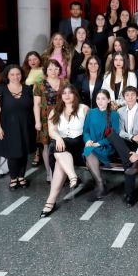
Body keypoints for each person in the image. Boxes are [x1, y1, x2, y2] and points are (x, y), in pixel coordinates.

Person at [40, 86, 88, 218]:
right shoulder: (55, 111)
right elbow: (51, 131)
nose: (67, 95)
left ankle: (50, 201)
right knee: (58, 150)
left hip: (79, 146)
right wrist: (58, 137)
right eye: (64, 93)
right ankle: (72, 177)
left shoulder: (84, 109)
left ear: (75, 95)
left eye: (70, 93)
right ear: (60, 96)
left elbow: (90, 129)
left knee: (58, 157)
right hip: (61, 145)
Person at [0, 65, 40, 190]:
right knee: (13, 153)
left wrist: (37, 123)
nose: (15, 77)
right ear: (7, 76)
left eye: (18, 74)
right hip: (8, 126)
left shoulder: (28, 89)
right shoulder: (1, 90)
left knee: (23, 153)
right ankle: (13, 178)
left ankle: (21, 177)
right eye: (12, 74)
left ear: (22, 75)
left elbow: (35, 107)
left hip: (26, 125)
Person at [107, 86, 138, 206]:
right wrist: (132, 137)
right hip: (126, 142)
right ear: (124, 98)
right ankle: (134, 164)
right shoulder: (120, 111)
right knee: (112, 134)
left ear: (137, 96)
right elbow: (120, 131)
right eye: (127, 95)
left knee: (128, 161)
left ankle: (129, 194)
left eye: (132, 95)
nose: (130, 97)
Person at [34, 59, 68, 183]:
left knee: (62, 144)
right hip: (45, 118)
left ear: (60, 70)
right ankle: (49, 173)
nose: (53, 71)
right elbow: (36, 104)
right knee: (46, 145)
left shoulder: (65, 82)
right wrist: (37, 121)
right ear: (46, 70)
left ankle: (63, 172)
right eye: (50, 69)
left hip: (63, 116)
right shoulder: (39, 84)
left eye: (56, 68)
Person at [83, 89, 120, 201]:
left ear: (108, 100)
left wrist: (99, 143)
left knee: (88, 154)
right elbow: (86, 131)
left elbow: (115, 134)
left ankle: (100, 184)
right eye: (98, 98)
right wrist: (88, 140)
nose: (100, 101)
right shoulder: (91, 113)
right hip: (92, 145)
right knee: (88, 150)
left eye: (103, 99)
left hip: (107, 146)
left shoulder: (114, 115)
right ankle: (100, 184)